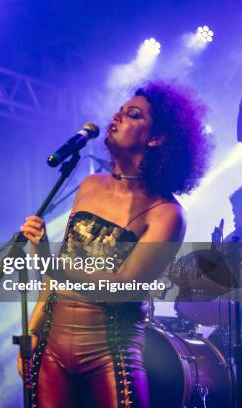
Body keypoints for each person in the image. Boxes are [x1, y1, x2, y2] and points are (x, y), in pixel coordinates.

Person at [17, 81, 211, 407]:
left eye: (132, 115)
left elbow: (122, 288)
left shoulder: (167, 214)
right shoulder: (90, 186)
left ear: (156, 138)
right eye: (120, 111)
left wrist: (51, 262)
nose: (117, 118)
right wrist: (32, 334)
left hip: (109, 350)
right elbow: (54, 275)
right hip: (52, 343)